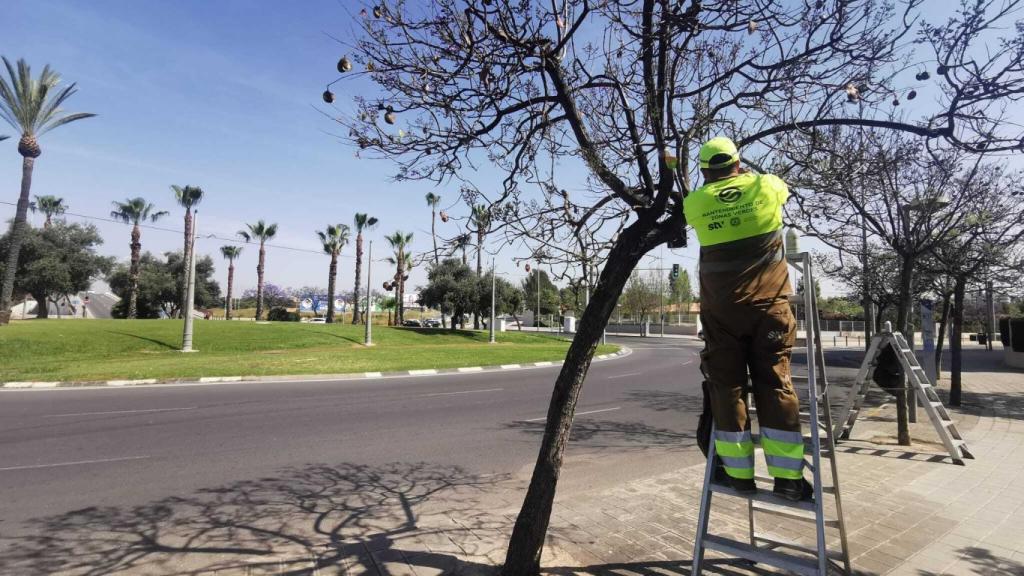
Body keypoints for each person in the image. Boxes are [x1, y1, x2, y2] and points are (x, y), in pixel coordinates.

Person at [683, 136, 811, 502]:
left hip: (721, 314)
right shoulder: (766, 186)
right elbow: (782, 189)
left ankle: (739, 476)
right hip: (769, 308)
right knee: (775, 384)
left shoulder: (695, 203)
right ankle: (788, 479)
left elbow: (703, 199)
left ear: (706, 173)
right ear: (738, 164)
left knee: (728, 388)